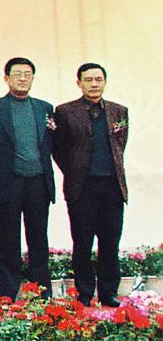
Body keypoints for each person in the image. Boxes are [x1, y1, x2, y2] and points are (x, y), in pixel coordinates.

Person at [53, 63, 129, 305]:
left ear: (105, 82)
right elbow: (58, 149)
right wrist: (75, 171)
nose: (94, 84)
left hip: (112, 187)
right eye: (88, 80)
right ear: (79, 83)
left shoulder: (119, 111)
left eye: (98, 79)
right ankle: (84, 292)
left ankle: (108, 292)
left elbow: (120, 145)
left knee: (110, 242)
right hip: (82, 188)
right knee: (83, 242)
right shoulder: (65, 111)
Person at [0, 57, 57, 298]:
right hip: (9, 182)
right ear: (6, 78)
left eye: (28, 74)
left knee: (39, 239)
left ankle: (41, 293)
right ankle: (6, 295)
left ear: (33, 78)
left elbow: (52, 144)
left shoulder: (45, 108)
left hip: (38, 182)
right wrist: (0, 170)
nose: (23, 78)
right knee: (7, 240)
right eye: (17, 74)